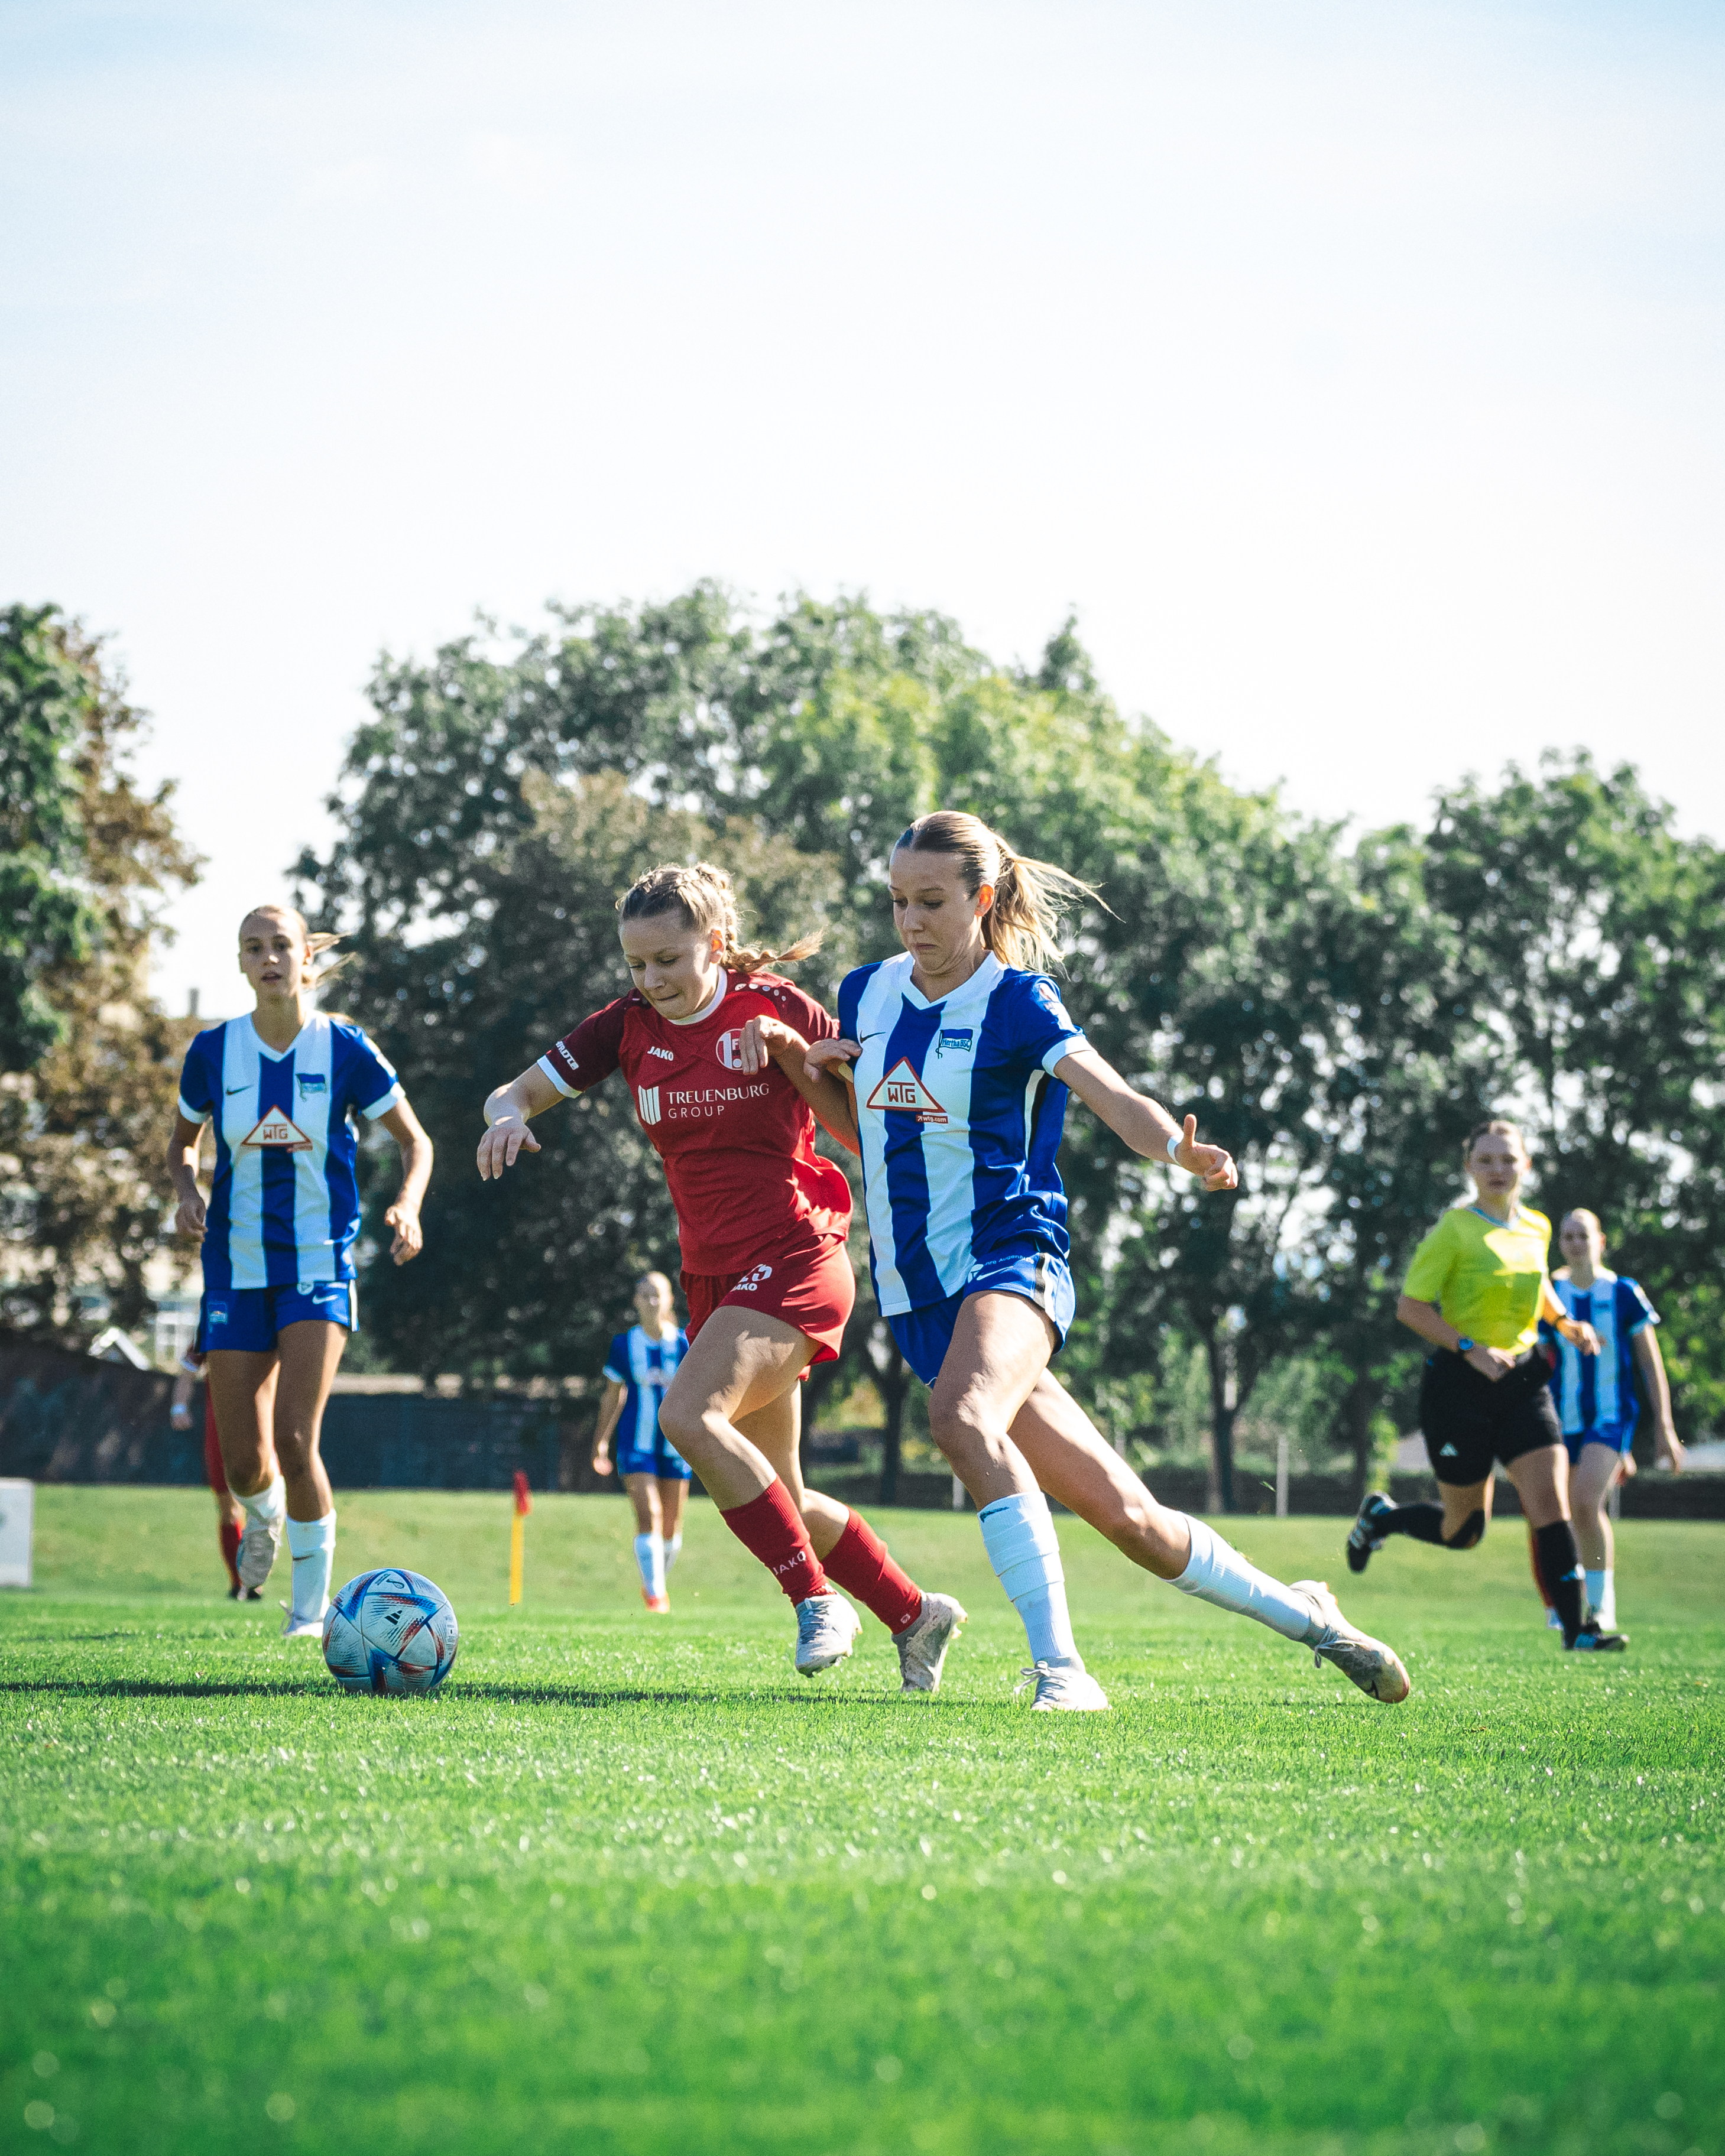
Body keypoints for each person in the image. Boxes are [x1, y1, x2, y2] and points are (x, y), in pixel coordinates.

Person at [788, 810, 1408, 1712]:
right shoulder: (864, 994)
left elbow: (1114, 1097)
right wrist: (812, 1069)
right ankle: (1311, 1615)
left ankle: (1062, 1673)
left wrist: (1176, 1151)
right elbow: (871, 1135)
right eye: (896, 902)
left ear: (982, 899)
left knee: (958, 1419)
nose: (911, 922)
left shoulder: (1016, 1001)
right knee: (1135, 1525)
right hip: (921, 1296)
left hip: (1012, 1258)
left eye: (931, 901)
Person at [476, 861, 968, 1693]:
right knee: (783, 1494)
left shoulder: (776, 1006)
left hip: (800, 1252)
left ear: (719, 943)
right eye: (635, 964)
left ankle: (816, 1602)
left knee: (685, 1415)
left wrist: (789, 1056)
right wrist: (506, 1119)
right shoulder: (626, 1026)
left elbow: (860, 1129)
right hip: (712, 1277)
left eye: (667, 959)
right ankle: (915, 1615)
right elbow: (512, 1092)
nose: (650, 980)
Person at [166, 905, 433, 1637]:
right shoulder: (213, 1053)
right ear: (243, 965)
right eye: (254, 948)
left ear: (305, 959)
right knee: (246, 1465)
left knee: (294, 1439)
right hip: (233, 1270)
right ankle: (266, 1514)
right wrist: (188, 1191)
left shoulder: (344, 1048)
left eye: (281, 944)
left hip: (319, 1266)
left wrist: (407, 1206)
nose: (269, 957)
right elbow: (180, 1145)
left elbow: (417, 1143)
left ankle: (309, 1614)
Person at [1345, 1120, 1627, 1651]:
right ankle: (1382, 1518)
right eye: (1486, 1160)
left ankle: (1579, 1630)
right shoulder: (1454, 1230)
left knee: (1551, 1502)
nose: (1498, 1169)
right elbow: (1410, 1307)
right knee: (1465, 1531)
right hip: (1459, 1388)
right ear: (1469, 1168)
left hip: (1523, 1383)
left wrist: (1565, 1322)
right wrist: (1470, 1349)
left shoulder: (1538, 1227)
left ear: (1526, 1166)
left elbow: (1537, 1280)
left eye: (1508, 1159)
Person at [1526, 1208, 1685, 1632]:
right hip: (1561, 1421)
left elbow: (1651, 1365)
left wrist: (1665, 1429)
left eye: (1583, 1235)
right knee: (1564, 1513)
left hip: (1611, 1418)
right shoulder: (1551, 1293)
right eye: (1568, 1236)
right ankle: (1569, 1606)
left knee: (1584, 1502)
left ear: (1601, 1241)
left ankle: (1600, 1606)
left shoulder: (1624, 1293)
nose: (1576, 1243)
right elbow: (1538, 1362)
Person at [591, 1271, 692, 1612]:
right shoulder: (624, 1345)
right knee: (650, 1514)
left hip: (677, 1445)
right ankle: (656, 1596)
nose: (652, 1302)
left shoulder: (684, 1344)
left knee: (672, 1526)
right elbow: (612, 1397)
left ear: (669, 1300)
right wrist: (601, 1442)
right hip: (636, 1444)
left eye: (657, 1295)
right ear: (635, 1302)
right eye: (645, 1296)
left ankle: (655, 1585)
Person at [170, 1349, 255, 1599]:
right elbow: (188, 1369)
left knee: (262, 1510)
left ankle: (254, 1576)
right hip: (220, 1429)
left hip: (261, 1426)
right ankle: (239, 1583)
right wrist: (178, 1406)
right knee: (228, 1509)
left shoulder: (268, 1318)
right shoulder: (214, 1318)